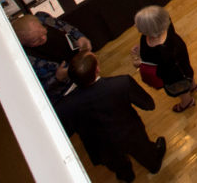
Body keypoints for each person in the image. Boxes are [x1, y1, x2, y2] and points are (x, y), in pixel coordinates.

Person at [55, 51, 166, 182]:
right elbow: (148, 105)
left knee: (116, 164)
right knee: (144, 152)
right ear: (97, 69)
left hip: (99, 145)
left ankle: (127, 176)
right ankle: (154, 165)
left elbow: (64, 133)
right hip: (130, 133)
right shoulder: (122, 83)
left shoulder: (64, 106)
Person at [131, 5, 197, 113]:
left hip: (172, 74)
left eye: (139, 24)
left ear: (149, 31)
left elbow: (158, 69)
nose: (135, 25)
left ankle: (187, 102)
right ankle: (193, 87)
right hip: (180, 58)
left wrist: (139, 62)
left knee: (181, 87)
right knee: (187, 72)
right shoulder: (166, 23)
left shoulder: (159, 50)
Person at [12, 12, 91, 103]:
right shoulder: (22, 61)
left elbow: (64, 26)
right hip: (65, 94)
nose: (43, 38)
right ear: (21, 42)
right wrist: (57, 78)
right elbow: (35, 92)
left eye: (44, 32)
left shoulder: (43, 18)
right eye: (35, 40)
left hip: (83, 73)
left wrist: (80, 37)